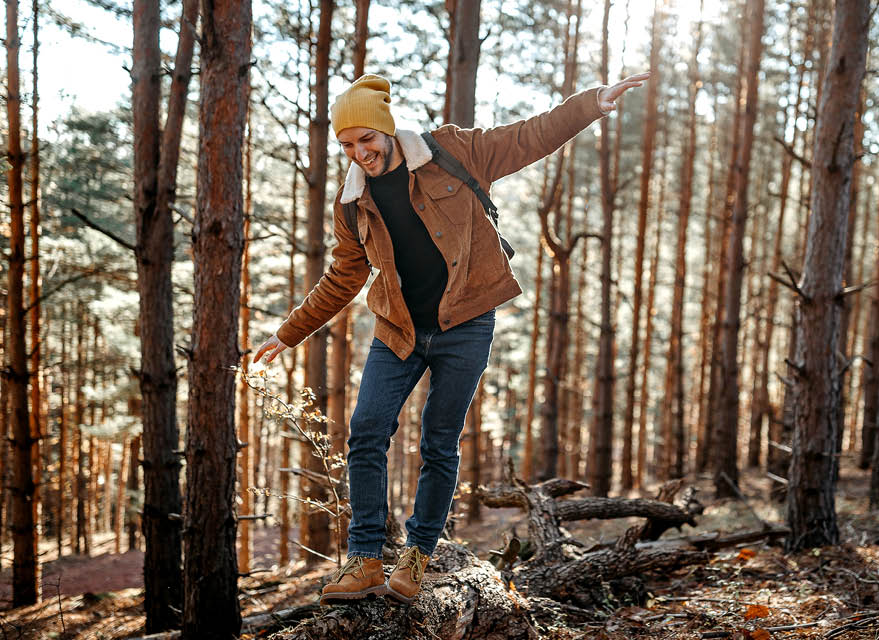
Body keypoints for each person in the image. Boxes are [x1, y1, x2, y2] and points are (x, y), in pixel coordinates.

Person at [253, 71, 649, 605]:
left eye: (366, 139)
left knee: (439, 440)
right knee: (366, 431)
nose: (358, 153)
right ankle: (367, 558)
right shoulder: (351, 204)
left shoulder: (452, 152)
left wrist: (590, 105)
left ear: (387, 129)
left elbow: (527, 136)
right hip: (398, 329)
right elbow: (345, 275)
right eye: (347, 145)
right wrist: (289, 332)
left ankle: (417, 556)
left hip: (466, 322)